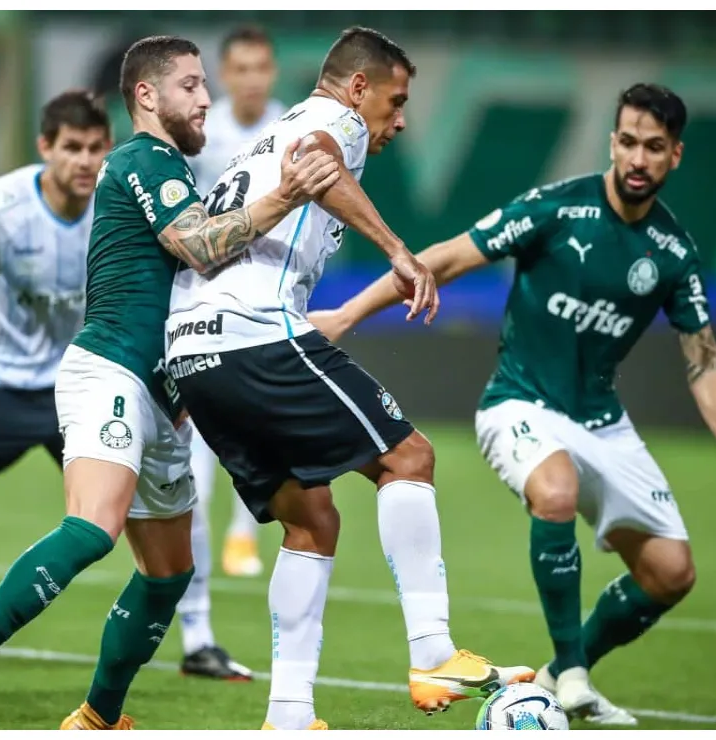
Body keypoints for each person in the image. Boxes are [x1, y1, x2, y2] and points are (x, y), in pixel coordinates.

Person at [309, 83, 716, 726]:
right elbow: (449, 256)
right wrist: (348, 314)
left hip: (603, 419)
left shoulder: (674, 252)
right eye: (627, 141)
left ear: (675, 156)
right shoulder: (559, 209)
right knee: (557, 490)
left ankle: (560, 671)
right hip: (519, 404)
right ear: (612, 141)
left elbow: (704, 359)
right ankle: (570, 674)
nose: (637, 159)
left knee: (671, 573)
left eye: (653, 147)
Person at [0, 35, 340, 729]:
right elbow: (199, 246)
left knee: (170, 573)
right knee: (92, 527)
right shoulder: (145, 159)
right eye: (192, 85)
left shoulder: (176, 170)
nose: (207, 99)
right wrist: (288, 193)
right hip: (108, 369)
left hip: (160, 395)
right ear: (147, 96)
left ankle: (98, 717)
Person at [165, 26, 535, 731]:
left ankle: (288, 713)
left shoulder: (267, 135)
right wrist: (397, 249)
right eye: (395, 103)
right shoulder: (333, 120)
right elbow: (317, 160)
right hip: (254, 334)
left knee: (312, 521)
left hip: (195, 351)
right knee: (410, 456)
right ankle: (432, 650)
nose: (398, 121)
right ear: (359, 86)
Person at [185, 25, 288, 586]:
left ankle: (243, 535)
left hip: (270, 287)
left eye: (261, 68)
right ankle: (199, 534)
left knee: (261, 420)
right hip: (205, 289)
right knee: (200, 426)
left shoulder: (290, 128)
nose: (251, 79)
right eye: (241, 69)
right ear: (225, 75)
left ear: (272, 72)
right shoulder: (203, 130)